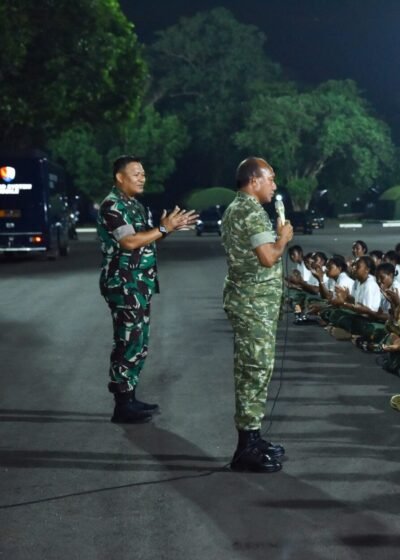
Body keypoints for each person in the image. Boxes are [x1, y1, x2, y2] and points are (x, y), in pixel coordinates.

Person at [97, 155, 198, 424]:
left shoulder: (137, 207)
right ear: (120, 177)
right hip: (124, 283)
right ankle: (122, 404)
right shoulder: (113, 205)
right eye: (136, 173)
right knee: (128, 340)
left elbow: (147, 240)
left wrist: (167, 230)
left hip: (140, 282)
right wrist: (163, 228)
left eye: (144, 173)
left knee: (139, 342)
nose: (143, 177)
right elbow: (129, 242)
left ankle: (129, 398)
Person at [221, 157, 293, 472]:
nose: (274, 185)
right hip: (253, 305)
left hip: (252, 303)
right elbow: (268, 257)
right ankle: (245, 447)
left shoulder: (238, 208)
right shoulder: (250, 212)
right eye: (271, 178)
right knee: (254, 370)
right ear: (254, 180)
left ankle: (253, 436)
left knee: (256, 369)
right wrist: (283, 238)